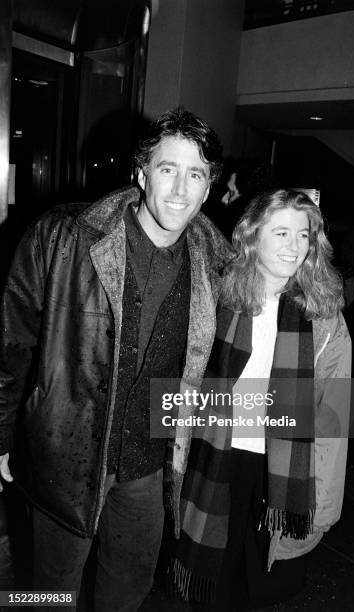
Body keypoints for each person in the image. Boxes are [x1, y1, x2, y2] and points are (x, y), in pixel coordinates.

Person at [0, 107, 232, 610]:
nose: (179, 189)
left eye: (195, 174)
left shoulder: (216, 262)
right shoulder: (62, 235)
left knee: (128, 588)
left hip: (147, 466)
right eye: (168, 169)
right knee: (48, 592)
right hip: (66, 452)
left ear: (209, 187)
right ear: (142, 172)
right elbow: (10, 341)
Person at [168, 189, 351, 610]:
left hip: (284, 465)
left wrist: (323, 501)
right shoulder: (219, 297)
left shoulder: (323, 315)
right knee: (217, 570)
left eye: (303, 235)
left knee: (264, 578)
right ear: (253, 236)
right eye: (281, 232)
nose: (293, 246)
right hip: (218, 454)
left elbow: (333, 416)